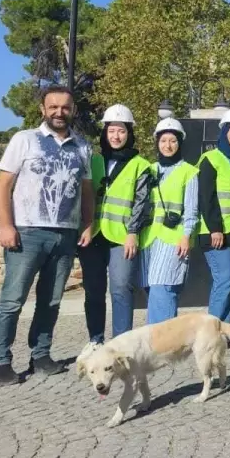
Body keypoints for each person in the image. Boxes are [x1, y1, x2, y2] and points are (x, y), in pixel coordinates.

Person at [0, 85, 94, 384]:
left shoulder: (83, 147)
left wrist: (88, 223)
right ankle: (0, 361)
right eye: (53, 107)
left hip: (64, 235)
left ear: (73, 110)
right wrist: (6, 226)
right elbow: (2, 186)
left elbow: (87, 192)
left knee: (50, 300)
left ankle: (41, 355)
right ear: (42, 110)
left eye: (65, 107)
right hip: (27, 232)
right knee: (12, 300)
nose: (59, 112)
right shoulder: (25, 140)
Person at [81, 103, 151, 344]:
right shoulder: (94, 161)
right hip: (93, 234)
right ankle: (96, 340)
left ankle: (121, 343)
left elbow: (142, 202)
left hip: (122, 237)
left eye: (121, 131)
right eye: (111, 130)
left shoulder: (140, 164)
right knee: (94, 290)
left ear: (129, 133)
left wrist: (133, 233)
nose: (116, 136)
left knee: (121, 288)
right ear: (105, 132)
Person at [141, 118, 199, 323]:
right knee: (152, 289)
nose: (168, 145)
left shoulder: (189, 171)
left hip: (174, 238)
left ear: (180, 143)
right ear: (157, 142)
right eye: (164, 140)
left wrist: (186, 236)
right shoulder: (149, 169)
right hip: (148, 239)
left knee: (163, 288)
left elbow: (192, 209)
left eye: (173, 140)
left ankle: (159, 342)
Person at [197, 108, 230, 323]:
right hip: (216, 231)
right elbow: (206, 197)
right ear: (224, 131)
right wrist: (215, 228)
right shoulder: (210, 159)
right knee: (225, 280)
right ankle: (209, 331)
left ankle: (225, 328)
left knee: (229, 282)